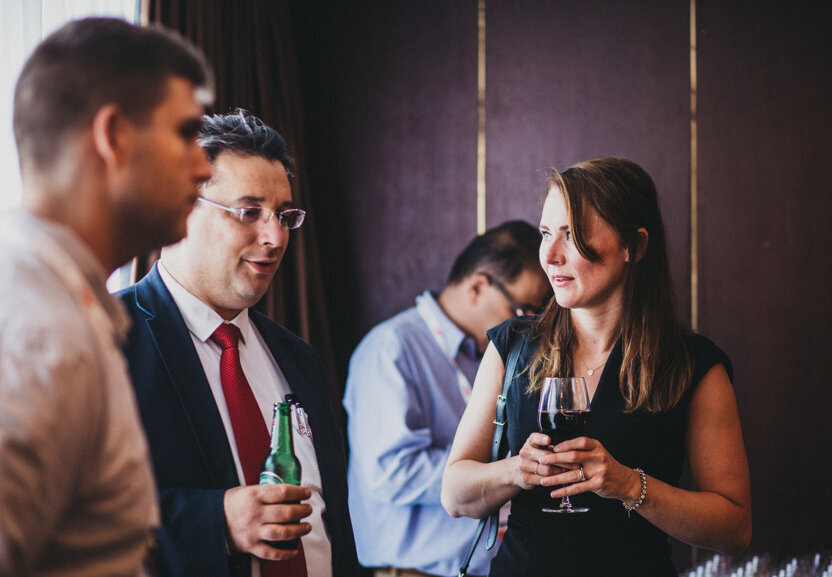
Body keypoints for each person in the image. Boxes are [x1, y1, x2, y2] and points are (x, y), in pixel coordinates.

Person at [441, 157, 751, 576]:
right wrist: (517, 470)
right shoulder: (512, 345)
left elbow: (734, 530)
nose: (549, 256)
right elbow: (454, 495)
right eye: (546, 233)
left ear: (635, 246)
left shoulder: (693, 365)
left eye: (572, 236)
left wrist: (627, 485)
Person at [0, 17, 213, 577]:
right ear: (113, 136)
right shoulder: (41, 336)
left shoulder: (65, 306)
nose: (204, 165)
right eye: (187, 133)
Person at [116, 110, 360, 577]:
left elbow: (334, 525)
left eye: (285, 215)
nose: (275, 237)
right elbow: (57, 517)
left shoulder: (297, 358)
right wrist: (216, 523)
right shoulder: (109, 340)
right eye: (249, 212)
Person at [344, 221, 551, 577]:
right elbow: (391, 473)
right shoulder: (391, 349)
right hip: (416, 572)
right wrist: (500, 470)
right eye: (522, 311)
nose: (529, 327)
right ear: (476, 287)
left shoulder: (493, 358)